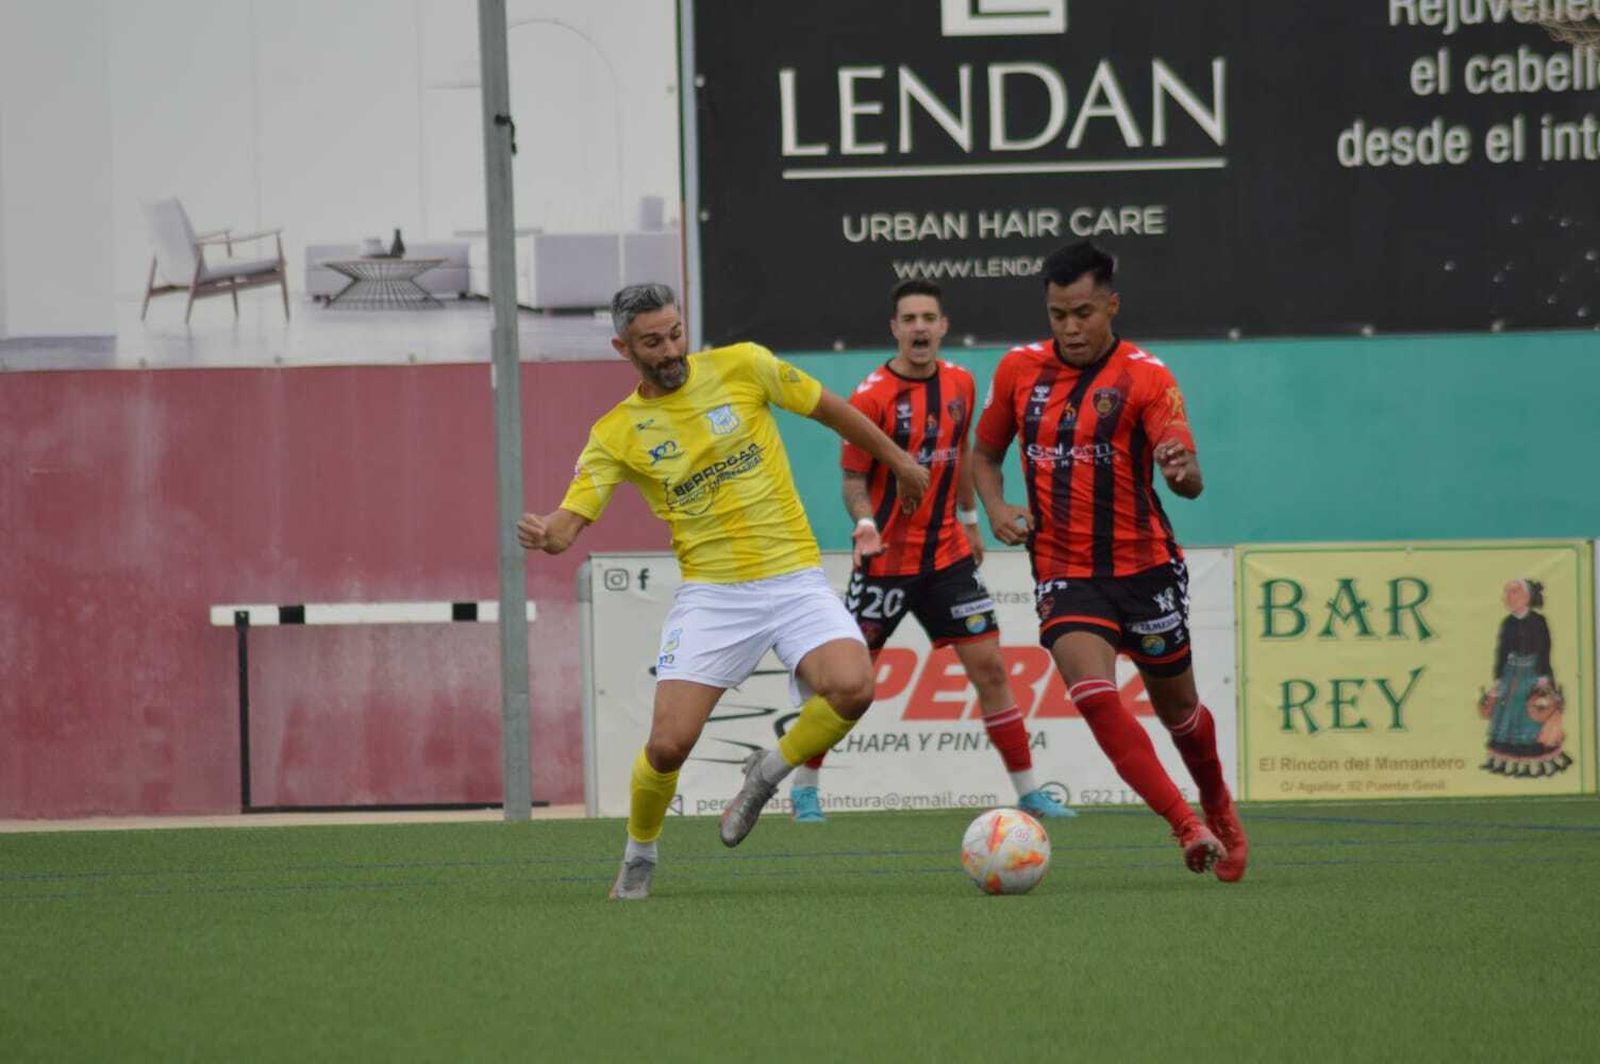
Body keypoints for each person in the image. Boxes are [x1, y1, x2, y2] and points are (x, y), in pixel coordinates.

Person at [517, 283, 930, 900]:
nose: (670, 349)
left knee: (854, 686)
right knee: (667, 745)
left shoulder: (745, 365)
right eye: (652, 342)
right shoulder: (615, 433)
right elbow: (573, 517)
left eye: (675, 332)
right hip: (714, 596)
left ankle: (766, 774)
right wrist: (551, 534)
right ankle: (640, 852)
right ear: (622, 348)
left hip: (793, 577)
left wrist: (897, 460)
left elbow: (831, 410)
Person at [971, 241, 1248, 882]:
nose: (1070, 327)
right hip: (1066, 572)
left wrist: (1183, 471)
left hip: (1145, 568)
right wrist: (996, 506)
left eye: (1084, 313)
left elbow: (1185, 468)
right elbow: (983, 455)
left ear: (1112, 306)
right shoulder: (1017, 371)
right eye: (1058, 314)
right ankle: (1186, 825)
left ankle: (1218, 804)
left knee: (1181, 715)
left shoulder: (1148, 376)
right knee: (1094, 696)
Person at [786, 279, 1076, 823]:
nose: (919, 327)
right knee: (850, 687)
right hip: (885, 564)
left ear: (943, 326)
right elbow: (852, 481)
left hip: (947, 559)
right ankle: (805, 786)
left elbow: (962, 452)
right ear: (894, 329)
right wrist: (867, 521)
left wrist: (969, 519)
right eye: (909, 318)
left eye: (928, 318)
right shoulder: (871, 397)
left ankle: (1030, 792)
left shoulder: (962, 384)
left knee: (990, 669)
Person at [1479, 578, 1571, 777]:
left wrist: (1543, 677)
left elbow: (1544, 650)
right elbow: (1501, 652)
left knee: (1531, 714)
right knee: (1507, 716)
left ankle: (1535, 763)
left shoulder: (1538, 621)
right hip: (1511, 675)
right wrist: (1498, 679)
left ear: (1527, 597)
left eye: (1514, 592)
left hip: (1533, 675)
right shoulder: (1507, 623)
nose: (1508, 598)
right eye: (1507, 593)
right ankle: (1507, 763)